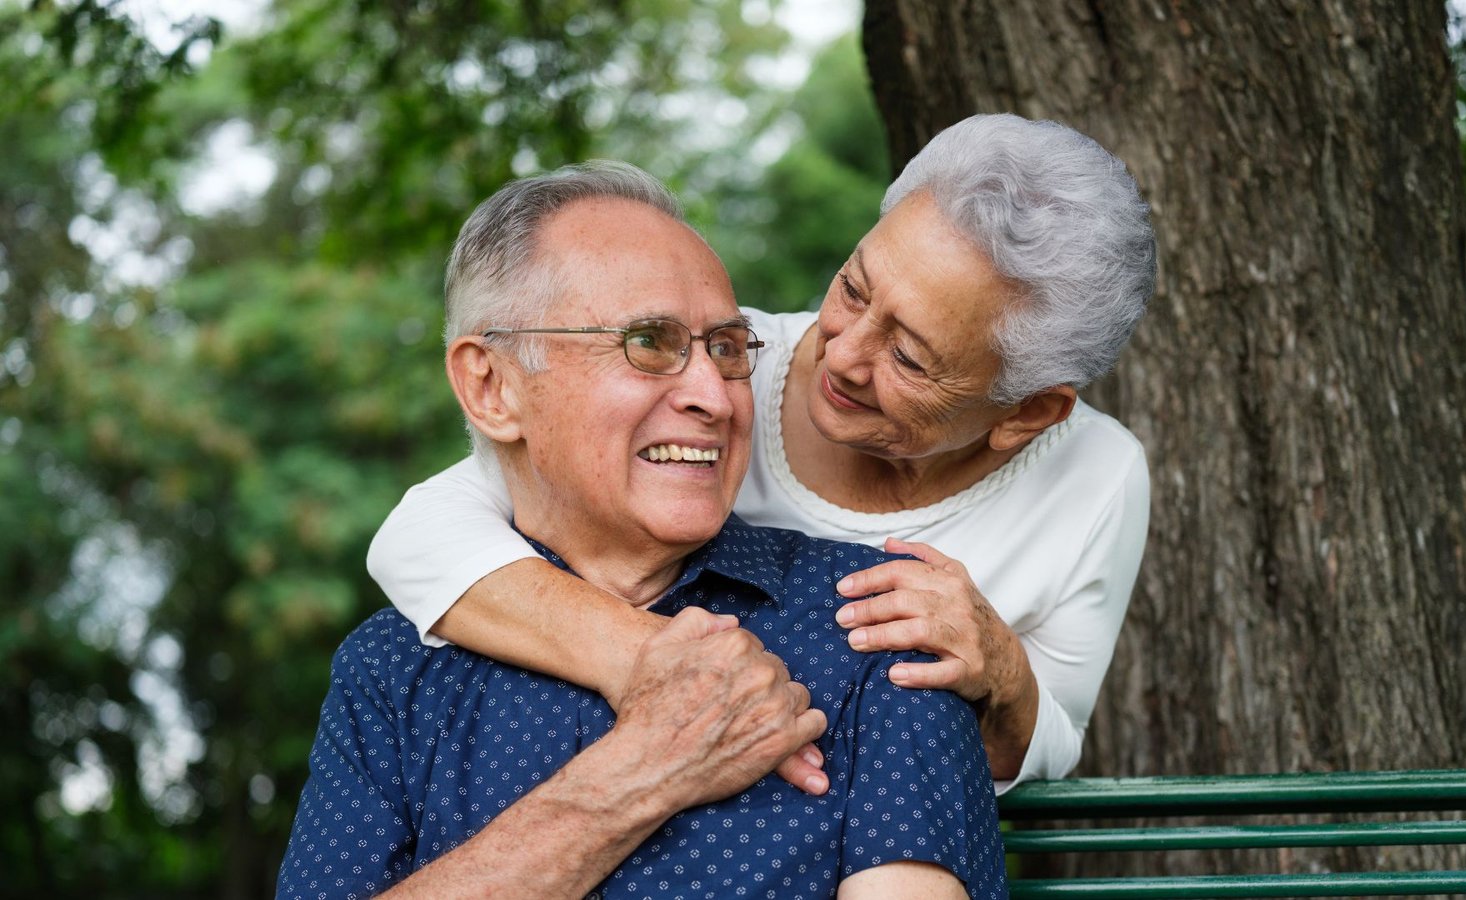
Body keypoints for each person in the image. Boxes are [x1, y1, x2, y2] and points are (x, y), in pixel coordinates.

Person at [278, 164, 1005, 899]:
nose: (713, 398)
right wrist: (637, 776)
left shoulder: (877, 622)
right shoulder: (391, 671)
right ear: (492, 388)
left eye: (726, 349)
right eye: (648, 342)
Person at [369, 113, 1157, 792]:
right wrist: (654, 660)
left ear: (1026, 414)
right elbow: (420, 537)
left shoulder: (1097, 475)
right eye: (853, 288)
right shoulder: (712, 367)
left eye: (910, 360)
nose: (841, 353)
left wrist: (1002, 669)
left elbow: (1048, 738)